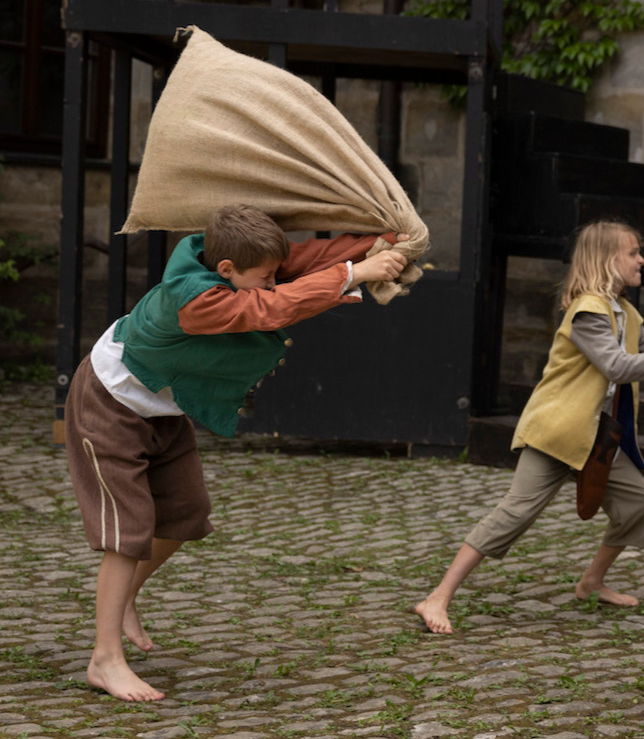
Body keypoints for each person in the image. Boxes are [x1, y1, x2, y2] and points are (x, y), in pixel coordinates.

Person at [65, 204, 409, 702]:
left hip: (161, 404)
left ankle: (125, 600)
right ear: (226, 270)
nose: (272, 282)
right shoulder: (195, 298)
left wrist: (382, 242)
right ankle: (104, 659)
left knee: (186, 514)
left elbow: (302, 259)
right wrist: (355, 274)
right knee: (128, 532)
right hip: (109, 402)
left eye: (273, 273)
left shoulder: (238, 257)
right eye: (264, 276)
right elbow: (267, 309)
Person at [414, 220, 644, 635]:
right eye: (633, 253)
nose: (641, 260)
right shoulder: (587, 311)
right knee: (515, 514)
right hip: (558, 433)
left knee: (640, 504)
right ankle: (437, 597)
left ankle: (591, 581)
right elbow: (617, 365)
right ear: (606, 260)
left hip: (598, 437)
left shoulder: (628, 314)